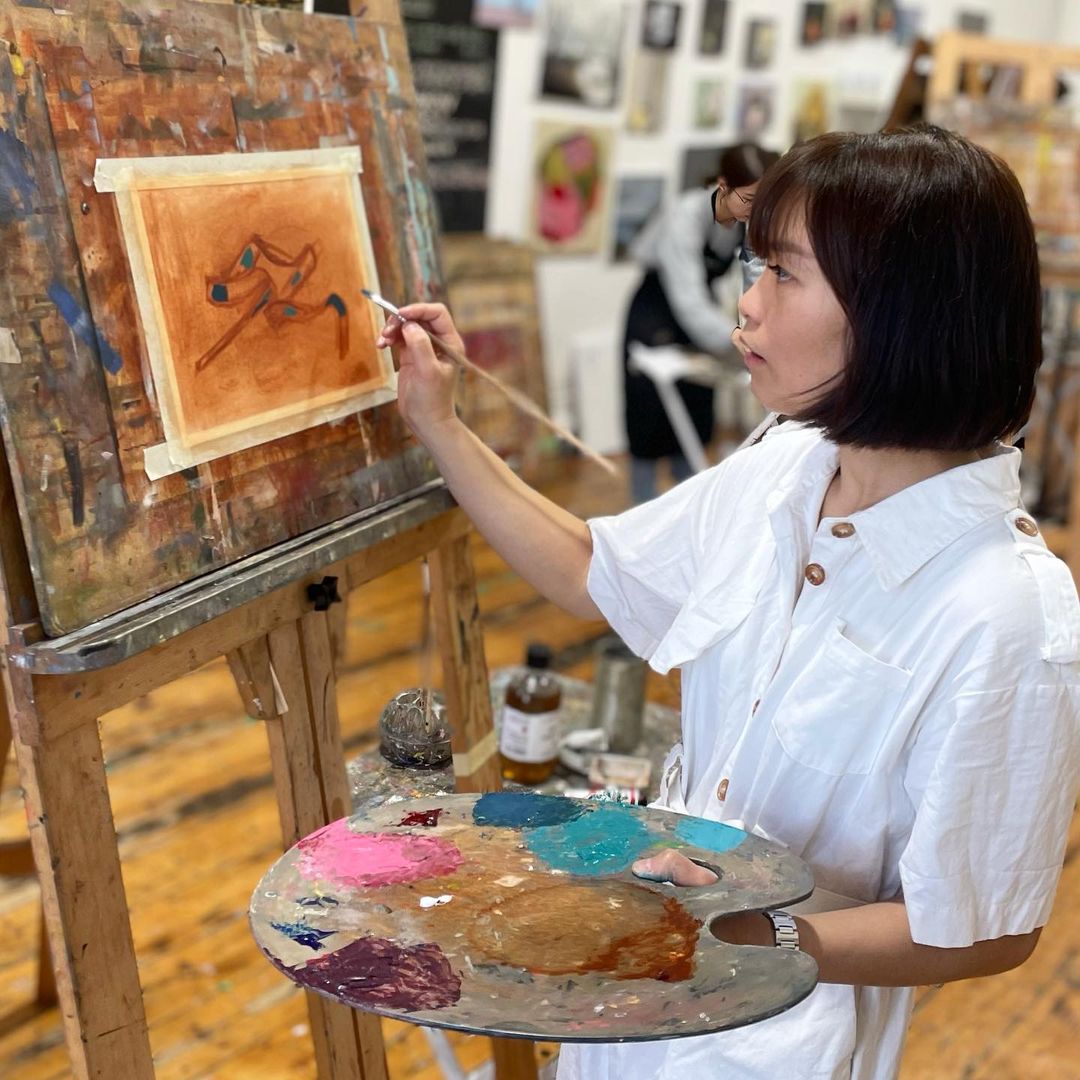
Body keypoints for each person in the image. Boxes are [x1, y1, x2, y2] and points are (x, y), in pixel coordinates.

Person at [376, 125, 1080, 1080]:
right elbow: (593, 570)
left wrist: (764, 930)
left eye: (782, 275)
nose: (745, 305)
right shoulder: (789, 463)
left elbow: (983, 931)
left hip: (774, 1046)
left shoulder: (1008, 615)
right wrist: (439, 421)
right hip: (632, 996)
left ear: (895, 315)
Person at [623, 142, 779, 503]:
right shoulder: (685, 215)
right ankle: (641, 503)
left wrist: (764, 328)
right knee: (649, 411)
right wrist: (739, 338)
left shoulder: (748, 219)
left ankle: (689, 497)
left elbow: (756, 277)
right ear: (723, 186)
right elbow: (688, 301)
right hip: (655, 311)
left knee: (695, 407)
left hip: (698, 310)